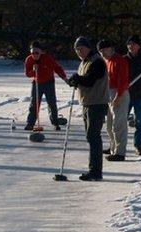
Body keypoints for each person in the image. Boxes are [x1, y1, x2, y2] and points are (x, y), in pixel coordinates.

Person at [67, 36, 109, 181]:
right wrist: (74, 81)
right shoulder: (84, 62)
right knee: (91, 136)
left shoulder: (97, 61)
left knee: (93, 136)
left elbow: (90, 80)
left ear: (88, 47)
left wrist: (77, 79)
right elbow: (83, 80)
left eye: (82, 48)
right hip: (88, 103)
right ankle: (94, 169)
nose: (79, 52)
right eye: (77, 50)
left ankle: (96, 171)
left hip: (97, 104)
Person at [24, 41, 67, 131]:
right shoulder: (29, 59)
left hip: (49, 83)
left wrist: (64, 78)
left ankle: (55, 122)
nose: (34, 55)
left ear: (41, 52)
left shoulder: (47, 58)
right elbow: (27, 73)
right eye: (32, 53)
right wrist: (33, 71)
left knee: (52, 103)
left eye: (37, 52)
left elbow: (57, 68)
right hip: (37, 83)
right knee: (34, 104)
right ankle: (30, 123)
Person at [98, 39, 130, 162]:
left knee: (119, 124)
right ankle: (112, 148)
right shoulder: (106, 61)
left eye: (104, 50)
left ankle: (120, 152)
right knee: (110, 125)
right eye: (100, 51)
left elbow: (123, 80)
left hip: (119, 94)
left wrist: (118, 96)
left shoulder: (119, 60)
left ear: (111, 48)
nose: (103, 53)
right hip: (109, 94)